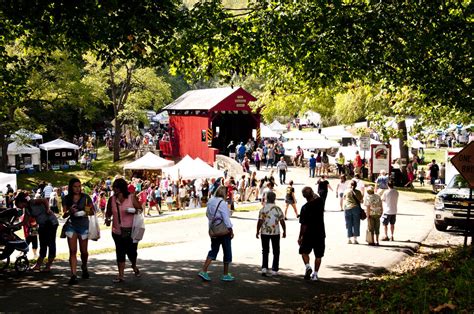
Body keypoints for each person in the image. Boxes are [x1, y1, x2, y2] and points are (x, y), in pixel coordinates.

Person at [105, 178, 143, 283]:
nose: (115, 190)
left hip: (131, 230)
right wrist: (107, 219)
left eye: (117, 188)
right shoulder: (112, 199)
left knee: (132, 252)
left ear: (122, 188)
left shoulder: (131, 197)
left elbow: (140, 209)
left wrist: (133, 210)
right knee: (120, 252)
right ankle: (121, 275)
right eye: (114, 188)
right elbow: (108, 212)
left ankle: (134, 266)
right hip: (117, 231)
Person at [15, 191, 59, 272]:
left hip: (51, 223)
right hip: (42, 225)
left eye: (18, 204)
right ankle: (38, 265)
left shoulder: (32, 202)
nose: (18, 206)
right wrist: (12, 226)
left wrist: (48, 209)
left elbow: (44, 200)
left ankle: (48, 265)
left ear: (22, 202)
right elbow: (24, 222)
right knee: (42, 244)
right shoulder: (27, 210)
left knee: (50, 243)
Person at [198, 186, 235, 282]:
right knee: (227, 251)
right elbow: (226, 218)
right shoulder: (222, 203)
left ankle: (204, 270)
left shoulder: (210, 201)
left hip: (214, 228)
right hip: (223, 230)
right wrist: (230, 229)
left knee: (213, 249)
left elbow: (208, 214)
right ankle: (225, 274)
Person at [63, 178, 95, 284]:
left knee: (84, 252)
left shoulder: (86, 197)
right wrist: (69, 211)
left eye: (79, 186)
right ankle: (73, 275)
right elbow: (63, 214)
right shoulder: (66, 198)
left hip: (83, 226)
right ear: (71, 187)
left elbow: (92, 212)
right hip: (71, 226)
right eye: (75, 186)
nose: (77, 188)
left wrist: (85, 211)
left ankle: (84, 266)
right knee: (72, 251)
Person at [298, 186, 325, 281]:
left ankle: (308, 266)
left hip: (308, 233)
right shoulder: (320, 202)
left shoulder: (304, 208)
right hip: (320, 232)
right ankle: (315, 274)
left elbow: (303, 225)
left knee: (304, 252)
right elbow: (317, 196)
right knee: (318, 255)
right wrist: (313, 193)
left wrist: (300, 236)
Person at [256, 191, 286, 276]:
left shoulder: (263, 209)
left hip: (265, 232)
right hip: (275, 232)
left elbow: (260, 221)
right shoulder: (278, 209)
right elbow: (282, 221)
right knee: (276, 250)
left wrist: (257, 231)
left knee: (265, 250)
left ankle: (264, 268)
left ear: (266, 199)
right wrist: (284, 231)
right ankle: (274, 269)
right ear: (274, 198)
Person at [343, 180, 363, 244]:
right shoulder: (358, 192)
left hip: (347, 208)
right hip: (355, 208)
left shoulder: (346, 191)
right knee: (356, 223)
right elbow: (361, 201)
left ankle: (349, 239)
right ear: (356, 185)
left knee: (349, 223)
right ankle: (355, 239)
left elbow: (344, 198)